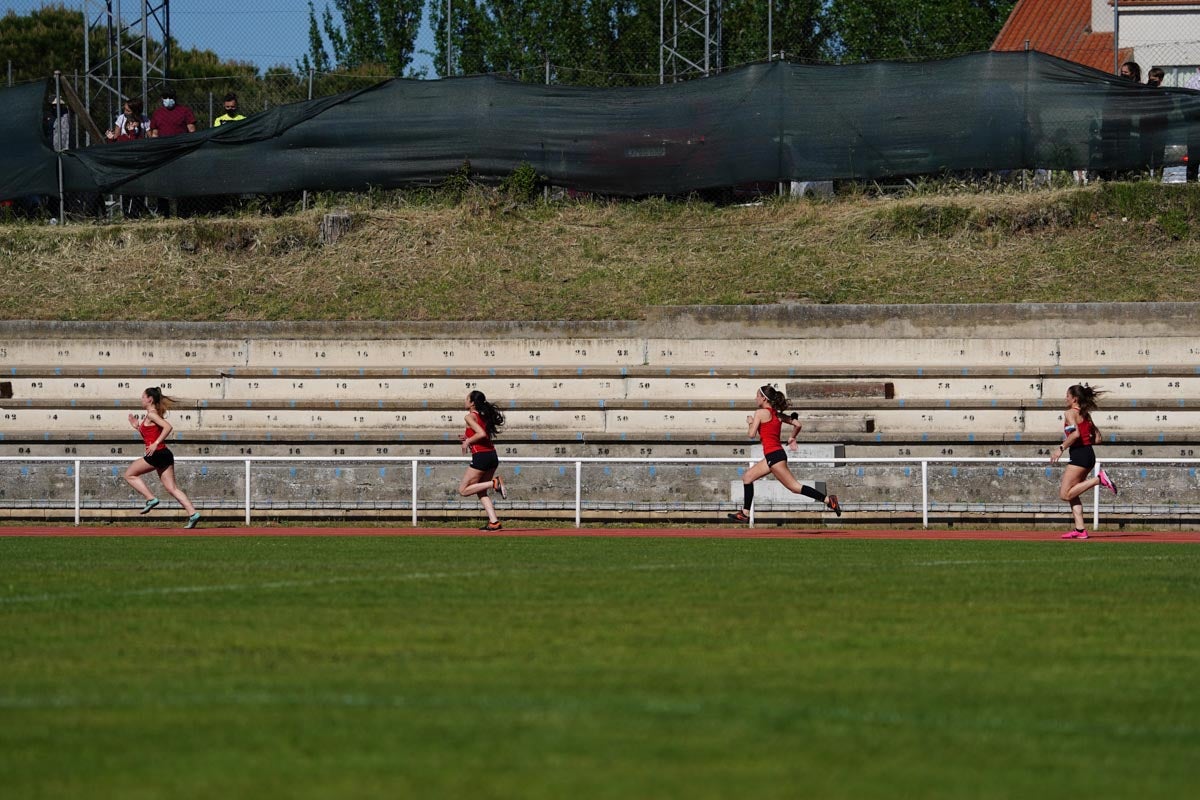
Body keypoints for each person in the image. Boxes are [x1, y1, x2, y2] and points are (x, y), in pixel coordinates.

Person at [727, 385, 841, 523]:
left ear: (763, 398)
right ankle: (744, 513)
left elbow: (751, 434)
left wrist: (750, 423)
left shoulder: (760, 413)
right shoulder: (777, 414)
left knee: (794, 487)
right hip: (773, 455)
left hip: (774, 456)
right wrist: (792, 437)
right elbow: (797, 424)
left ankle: (829, 500)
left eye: (757, 395)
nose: (755, 398)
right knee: (747, 477)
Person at [123, 387, 201, 529]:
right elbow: (150, 434)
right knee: (172, 488)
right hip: (165, 454)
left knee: (129, 475)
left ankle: (150, 498)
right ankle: (193, 513)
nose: (141, 400)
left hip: (157, 453)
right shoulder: (151, 415)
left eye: (143, 397)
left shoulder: (152, 415)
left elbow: (168, 427)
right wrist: (137, 427)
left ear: (149, 399)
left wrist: (156, 444)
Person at [1049, 384, 1118, 540]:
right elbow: (1098, 438)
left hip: (1079, 455)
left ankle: (1099, 479)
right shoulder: (1086, 414)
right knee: (1073, 493)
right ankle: (1080, 530)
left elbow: (1075, 435)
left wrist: (1060, 448)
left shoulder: (1069, 413)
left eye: (1067, 396)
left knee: (1065, 494)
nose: (1065, 398)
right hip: (1088, 454)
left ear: (1074, 398)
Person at [457, 390, 508, 531]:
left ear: (472, 403)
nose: (464, 400)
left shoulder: (469, 417)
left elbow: (481, 433)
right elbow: (480, 435)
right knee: (481, 491)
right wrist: (467, 438)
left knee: (463, 490)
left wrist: (467, 442)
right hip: (492, 455)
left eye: (467, 398)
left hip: (482, 457)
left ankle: (494, 483)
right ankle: (494, 522)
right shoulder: (483, 415)